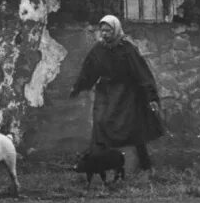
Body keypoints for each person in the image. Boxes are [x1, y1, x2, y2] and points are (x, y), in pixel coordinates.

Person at [69, 15, 165, 172]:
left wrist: (151, 96)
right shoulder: (99, 49)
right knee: (100, 123)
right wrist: (79, 87)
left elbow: (142, 73)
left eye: (108, 31)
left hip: (127, 93)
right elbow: (89, 71)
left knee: (134, 127)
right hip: (106, 93)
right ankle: (95, 165)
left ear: (116, 30)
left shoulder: (127, 49)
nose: (104, 34)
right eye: (102, 31)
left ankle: (145, 164)